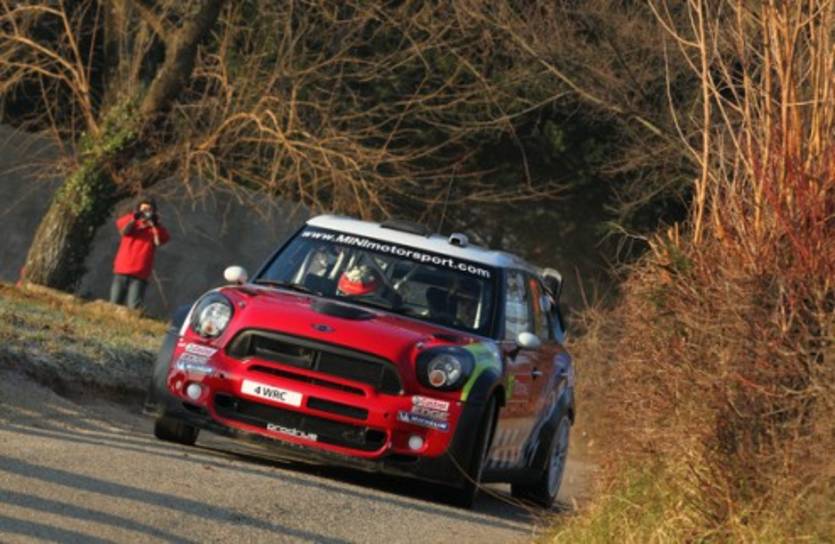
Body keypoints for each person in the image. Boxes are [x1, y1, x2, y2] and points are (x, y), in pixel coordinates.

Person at [110, 197, 170, 310]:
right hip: (122, 269)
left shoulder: (155, 228)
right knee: (114, 303)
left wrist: (155, 225)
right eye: (143, 210)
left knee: (134, 307)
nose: (146, 213)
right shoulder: (131, 220)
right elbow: (123, 232)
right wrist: (134, 219)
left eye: (149, 210)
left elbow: (159, 242)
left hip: (140, 274)